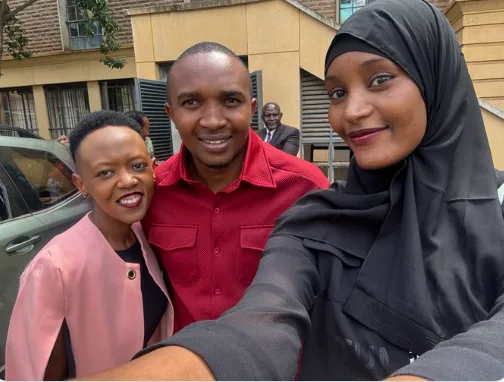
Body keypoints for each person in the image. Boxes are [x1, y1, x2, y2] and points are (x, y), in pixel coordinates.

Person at [76, 0, 504, 381]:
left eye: (379, 80)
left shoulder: (299, 186)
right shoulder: (318, 219)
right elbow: (265, 318)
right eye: (336, 92)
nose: (352, 111)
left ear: (435, 78)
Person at [139, 42, 329, 333]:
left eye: (230, 101)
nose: (213, 121)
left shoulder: (305, 188)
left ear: (252, 109)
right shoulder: (153, 191)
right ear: (171, 113)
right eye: (191, 102)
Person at [5, 110, 173, 380]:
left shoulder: (148, 236)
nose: (128, 180)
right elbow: (34, 373)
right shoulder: (53, 268)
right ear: (82, 184)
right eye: (106, 172)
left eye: (137, 166)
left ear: (154, 168)